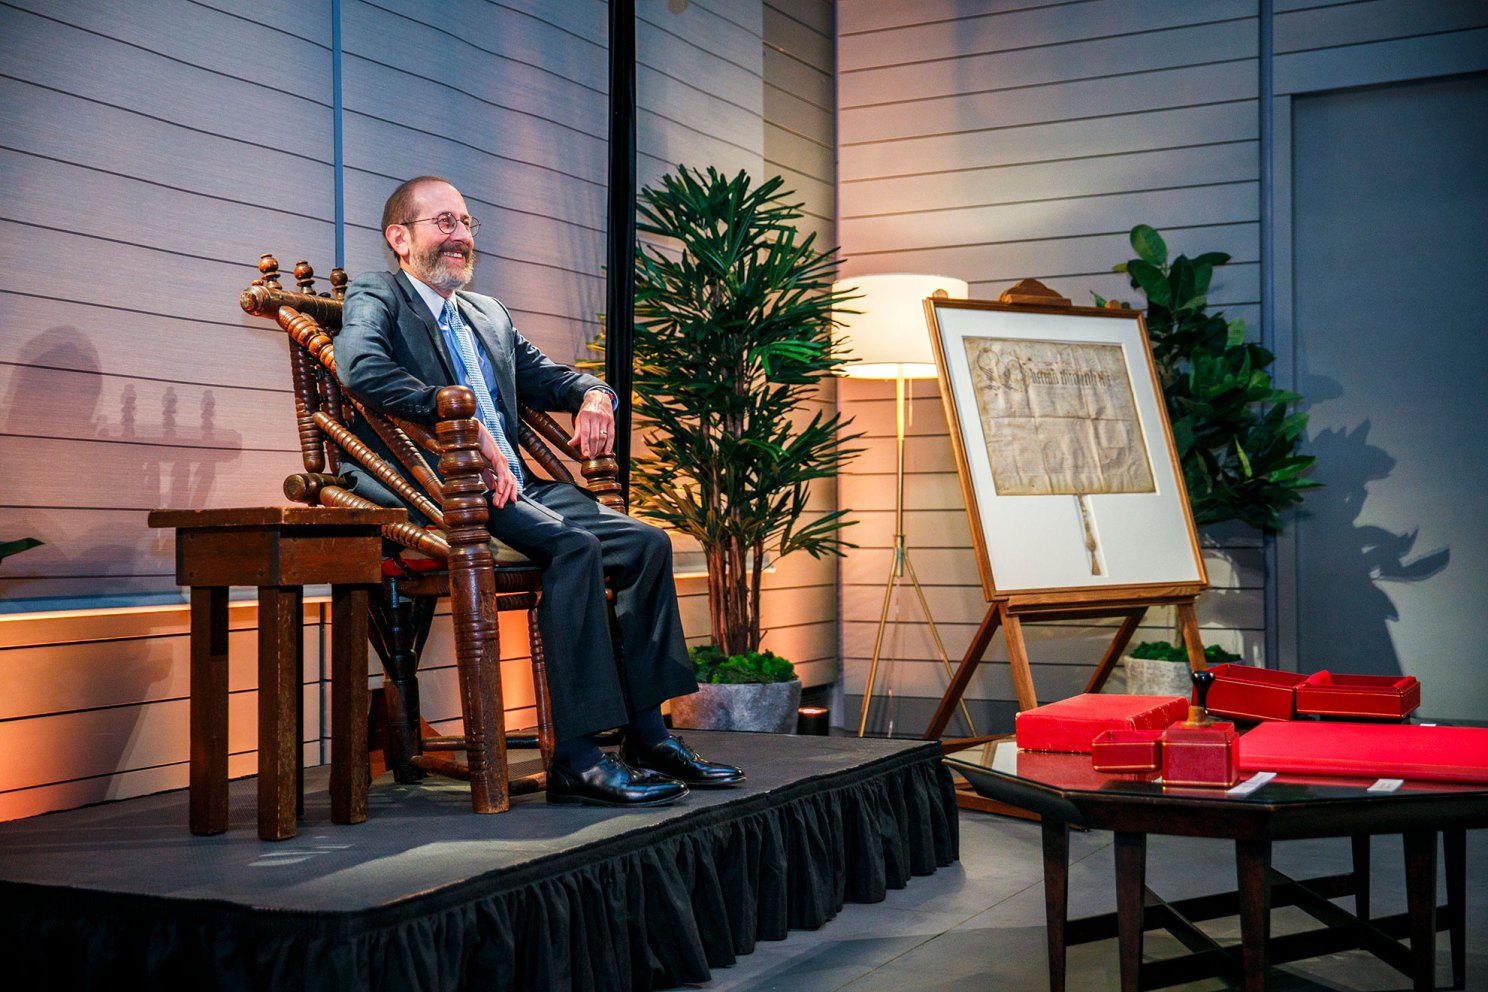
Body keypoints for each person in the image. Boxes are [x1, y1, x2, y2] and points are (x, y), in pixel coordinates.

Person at [337, 175, 743, 807]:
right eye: (444, 222)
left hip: (517, 487)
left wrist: (593, 394)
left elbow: (550, 376)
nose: (461, 236)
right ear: (399, 237)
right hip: (441, 488)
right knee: (575, 548)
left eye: (467, 223)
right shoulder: (378, 295)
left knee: (647, 544)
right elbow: (361, 369)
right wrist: (461, 421)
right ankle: (577, 759)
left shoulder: (486, 313)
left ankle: (649, 734)